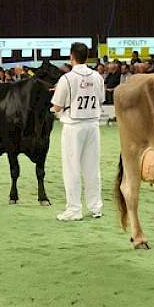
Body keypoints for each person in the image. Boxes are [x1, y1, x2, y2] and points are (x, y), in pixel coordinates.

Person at [51, 42, 106, 222]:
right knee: (92, 168)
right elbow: (101, 99)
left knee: (72, 167)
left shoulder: (66, 78)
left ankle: (74, 209)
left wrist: (54, 108)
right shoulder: (97, 76)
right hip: (92, 124)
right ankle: (95, 206)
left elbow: (57, 105)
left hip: (74, 126)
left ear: (71, 56)